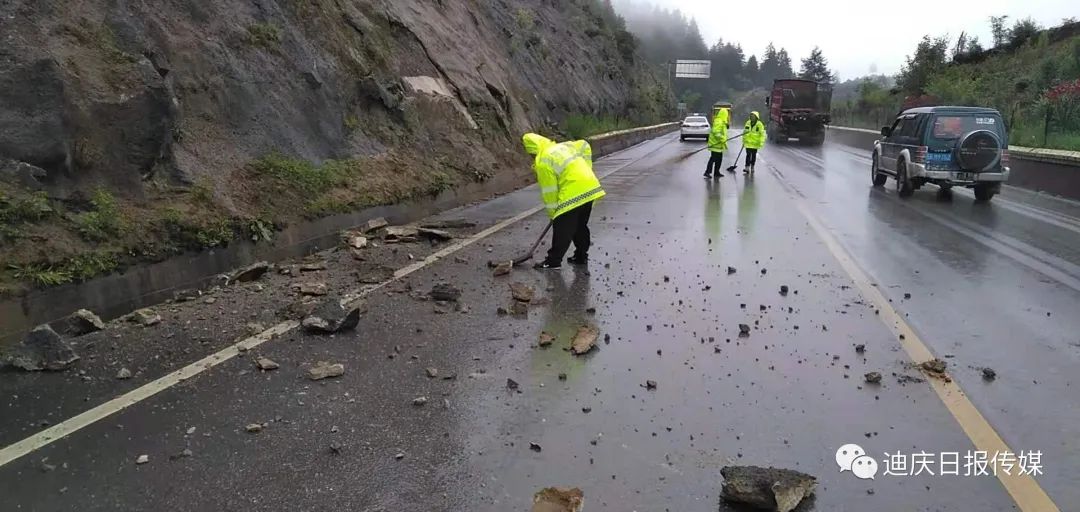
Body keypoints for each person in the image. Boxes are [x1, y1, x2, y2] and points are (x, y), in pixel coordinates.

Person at [522, 133, 606, 270]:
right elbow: (584, 145)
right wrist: (587, 168)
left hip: (572, 192)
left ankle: (553, 261)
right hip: (591, 186)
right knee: (580, 226)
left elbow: (550, 192)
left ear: (532, 150)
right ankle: (580, 256)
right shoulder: (564, 147)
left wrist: (554, 214)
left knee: (562, 228)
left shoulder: (543, 160)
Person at [705, 107, 730, 178]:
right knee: (713, 158)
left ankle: (716, 172)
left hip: (719, 145)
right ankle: (707, 172)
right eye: (726, 114)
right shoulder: (719, 121)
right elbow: (716, 132)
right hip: (715, 144)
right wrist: (722, 139)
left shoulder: (722, 121)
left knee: (719, 159)